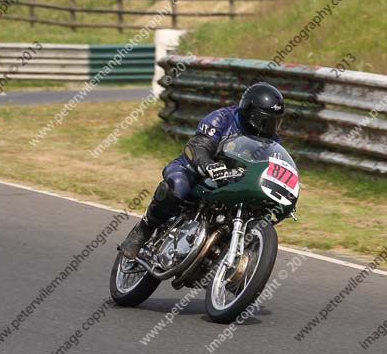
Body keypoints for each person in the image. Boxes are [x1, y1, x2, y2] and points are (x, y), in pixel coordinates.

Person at [119, 83, 285, 259]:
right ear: (249, 112)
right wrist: (208, 165)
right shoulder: (222, 118)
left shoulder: (271, 140)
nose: (268, 127)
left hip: (231, 181)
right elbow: (198, 146)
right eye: (263, 121)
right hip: (193, 169)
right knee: (177, 187)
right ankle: (143, 230)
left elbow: (270, 166)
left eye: (275, 122)